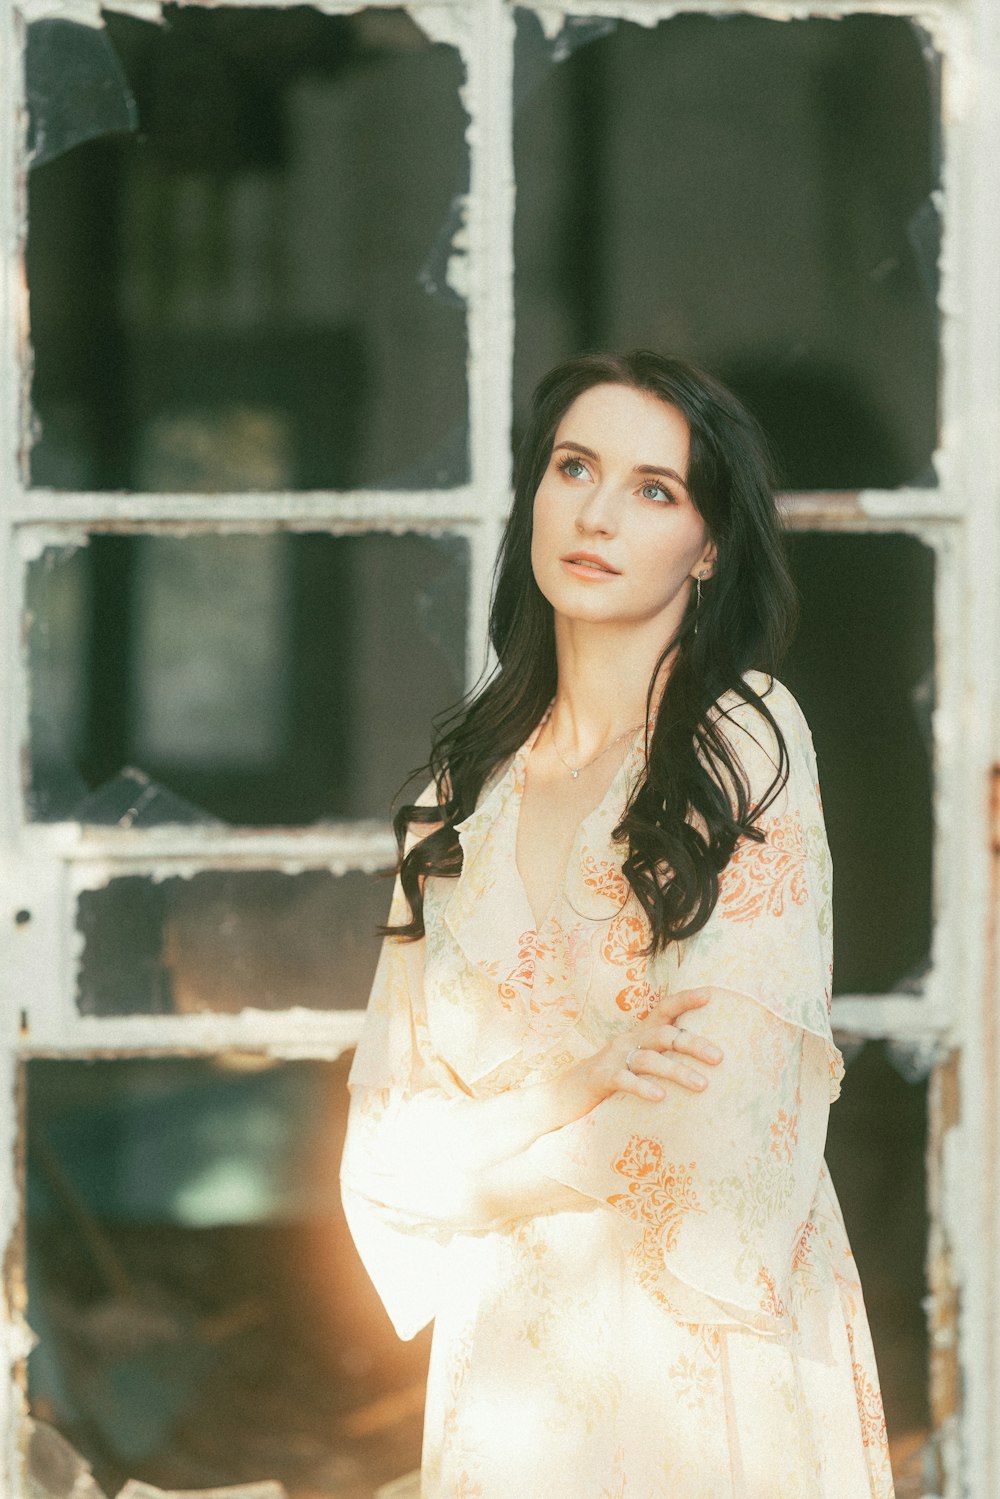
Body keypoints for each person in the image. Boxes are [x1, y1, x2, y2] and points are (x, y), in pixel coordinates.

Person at [340, 351, 894, 1498]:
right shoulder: (463, 795)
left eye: (653, 488)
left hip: (700, 1356)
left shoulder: (738, 743)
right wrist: (578, 1082)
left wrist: (488, 1153)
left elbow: (717, 1121)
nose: (595, 511)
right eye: (573, 466)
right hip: (506, 1367)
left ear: (709, 545)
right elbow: (387, 1159)